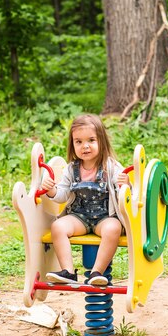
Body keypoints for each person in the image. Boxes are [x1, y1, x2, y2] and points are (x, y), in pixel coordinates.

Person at [40, 114, 130, 287]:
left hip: (105, 217)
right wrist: (51, 190)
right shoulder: (71, 169)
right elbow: (63, 195)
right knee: (58, 226)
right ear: (72, 145)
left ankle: (97, 272)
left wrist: (125, 185)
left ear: (101, 142)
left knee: (114, 228)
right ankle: (68, 271)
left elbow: (123, 197)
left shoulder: (111, 167)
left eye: (91, 140)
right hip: (79, 217)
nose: (85, 146)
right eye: (78, 142)